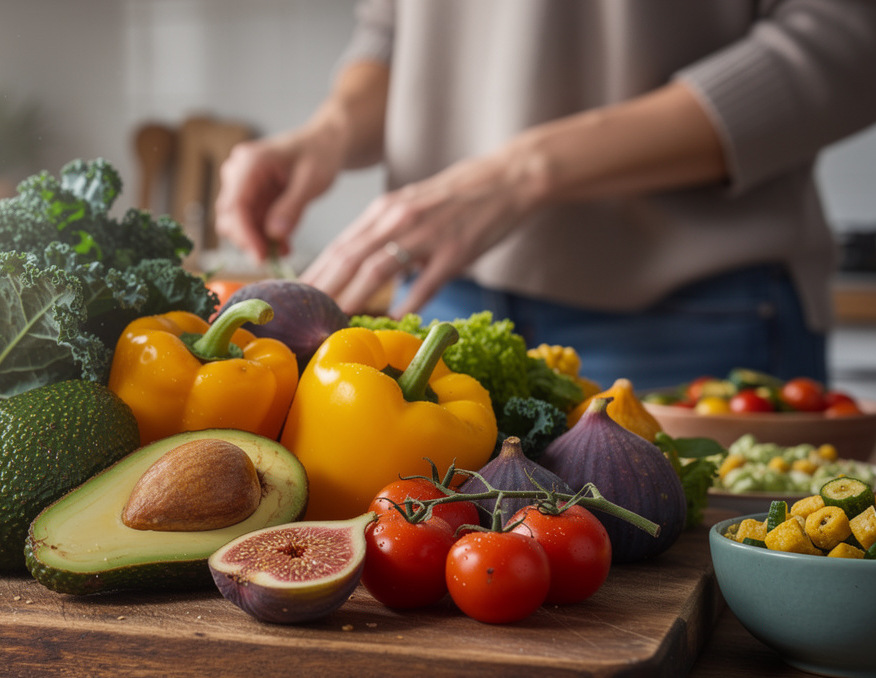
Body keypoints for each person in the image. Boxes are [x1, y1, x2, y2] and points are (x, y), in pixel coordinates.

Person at [214, 0, 876, 389]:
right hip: (445, 303)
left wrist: (520, 170)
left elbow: (847, 38)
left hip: (692, 313)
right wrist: (326, 134)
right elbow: (393, 31)